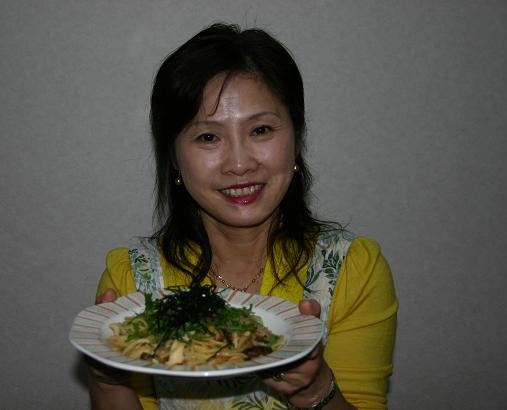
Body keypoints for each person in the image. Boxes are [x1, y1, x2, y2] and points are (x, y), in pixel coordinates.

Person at [87, 23, 398, 410]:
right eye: (208, 137)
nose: (239, 163)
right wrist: (107, 379)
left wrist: (316, 389)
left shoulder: (354, 270)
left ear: (296, 139)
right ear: (174, 158)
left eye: (261, 130)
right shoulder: (132, 284)